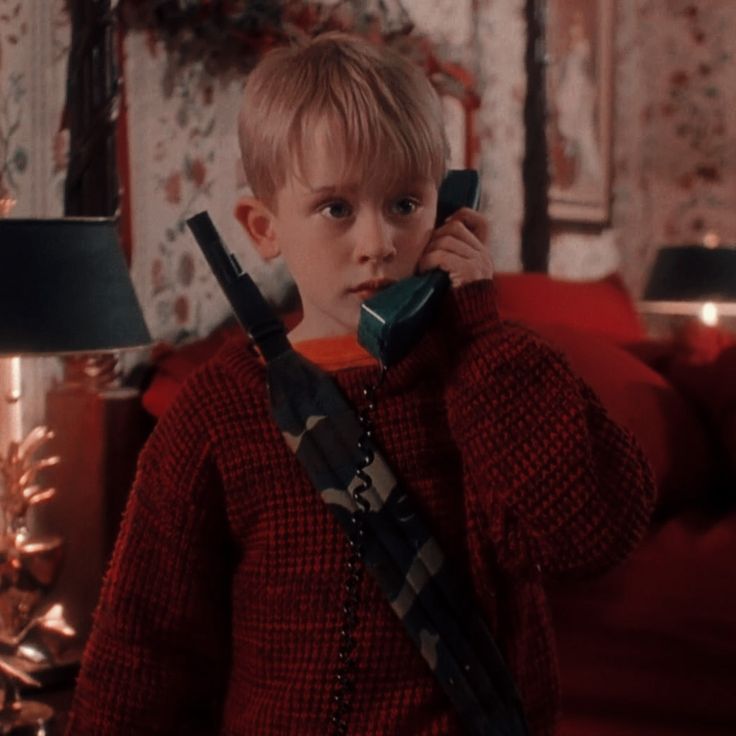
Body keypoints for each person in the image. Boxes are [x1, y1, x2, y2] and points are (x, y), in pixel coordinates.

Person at [65, 32, 655, 736]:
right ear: (263, 227)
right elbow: (144, 647)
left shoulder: (489, 370)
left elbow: (589, 535)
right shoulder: (217, 411)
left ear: (449, 209)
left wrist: (483, 339)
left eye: (405, 204)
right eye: (336, 209)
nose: (376, 241)